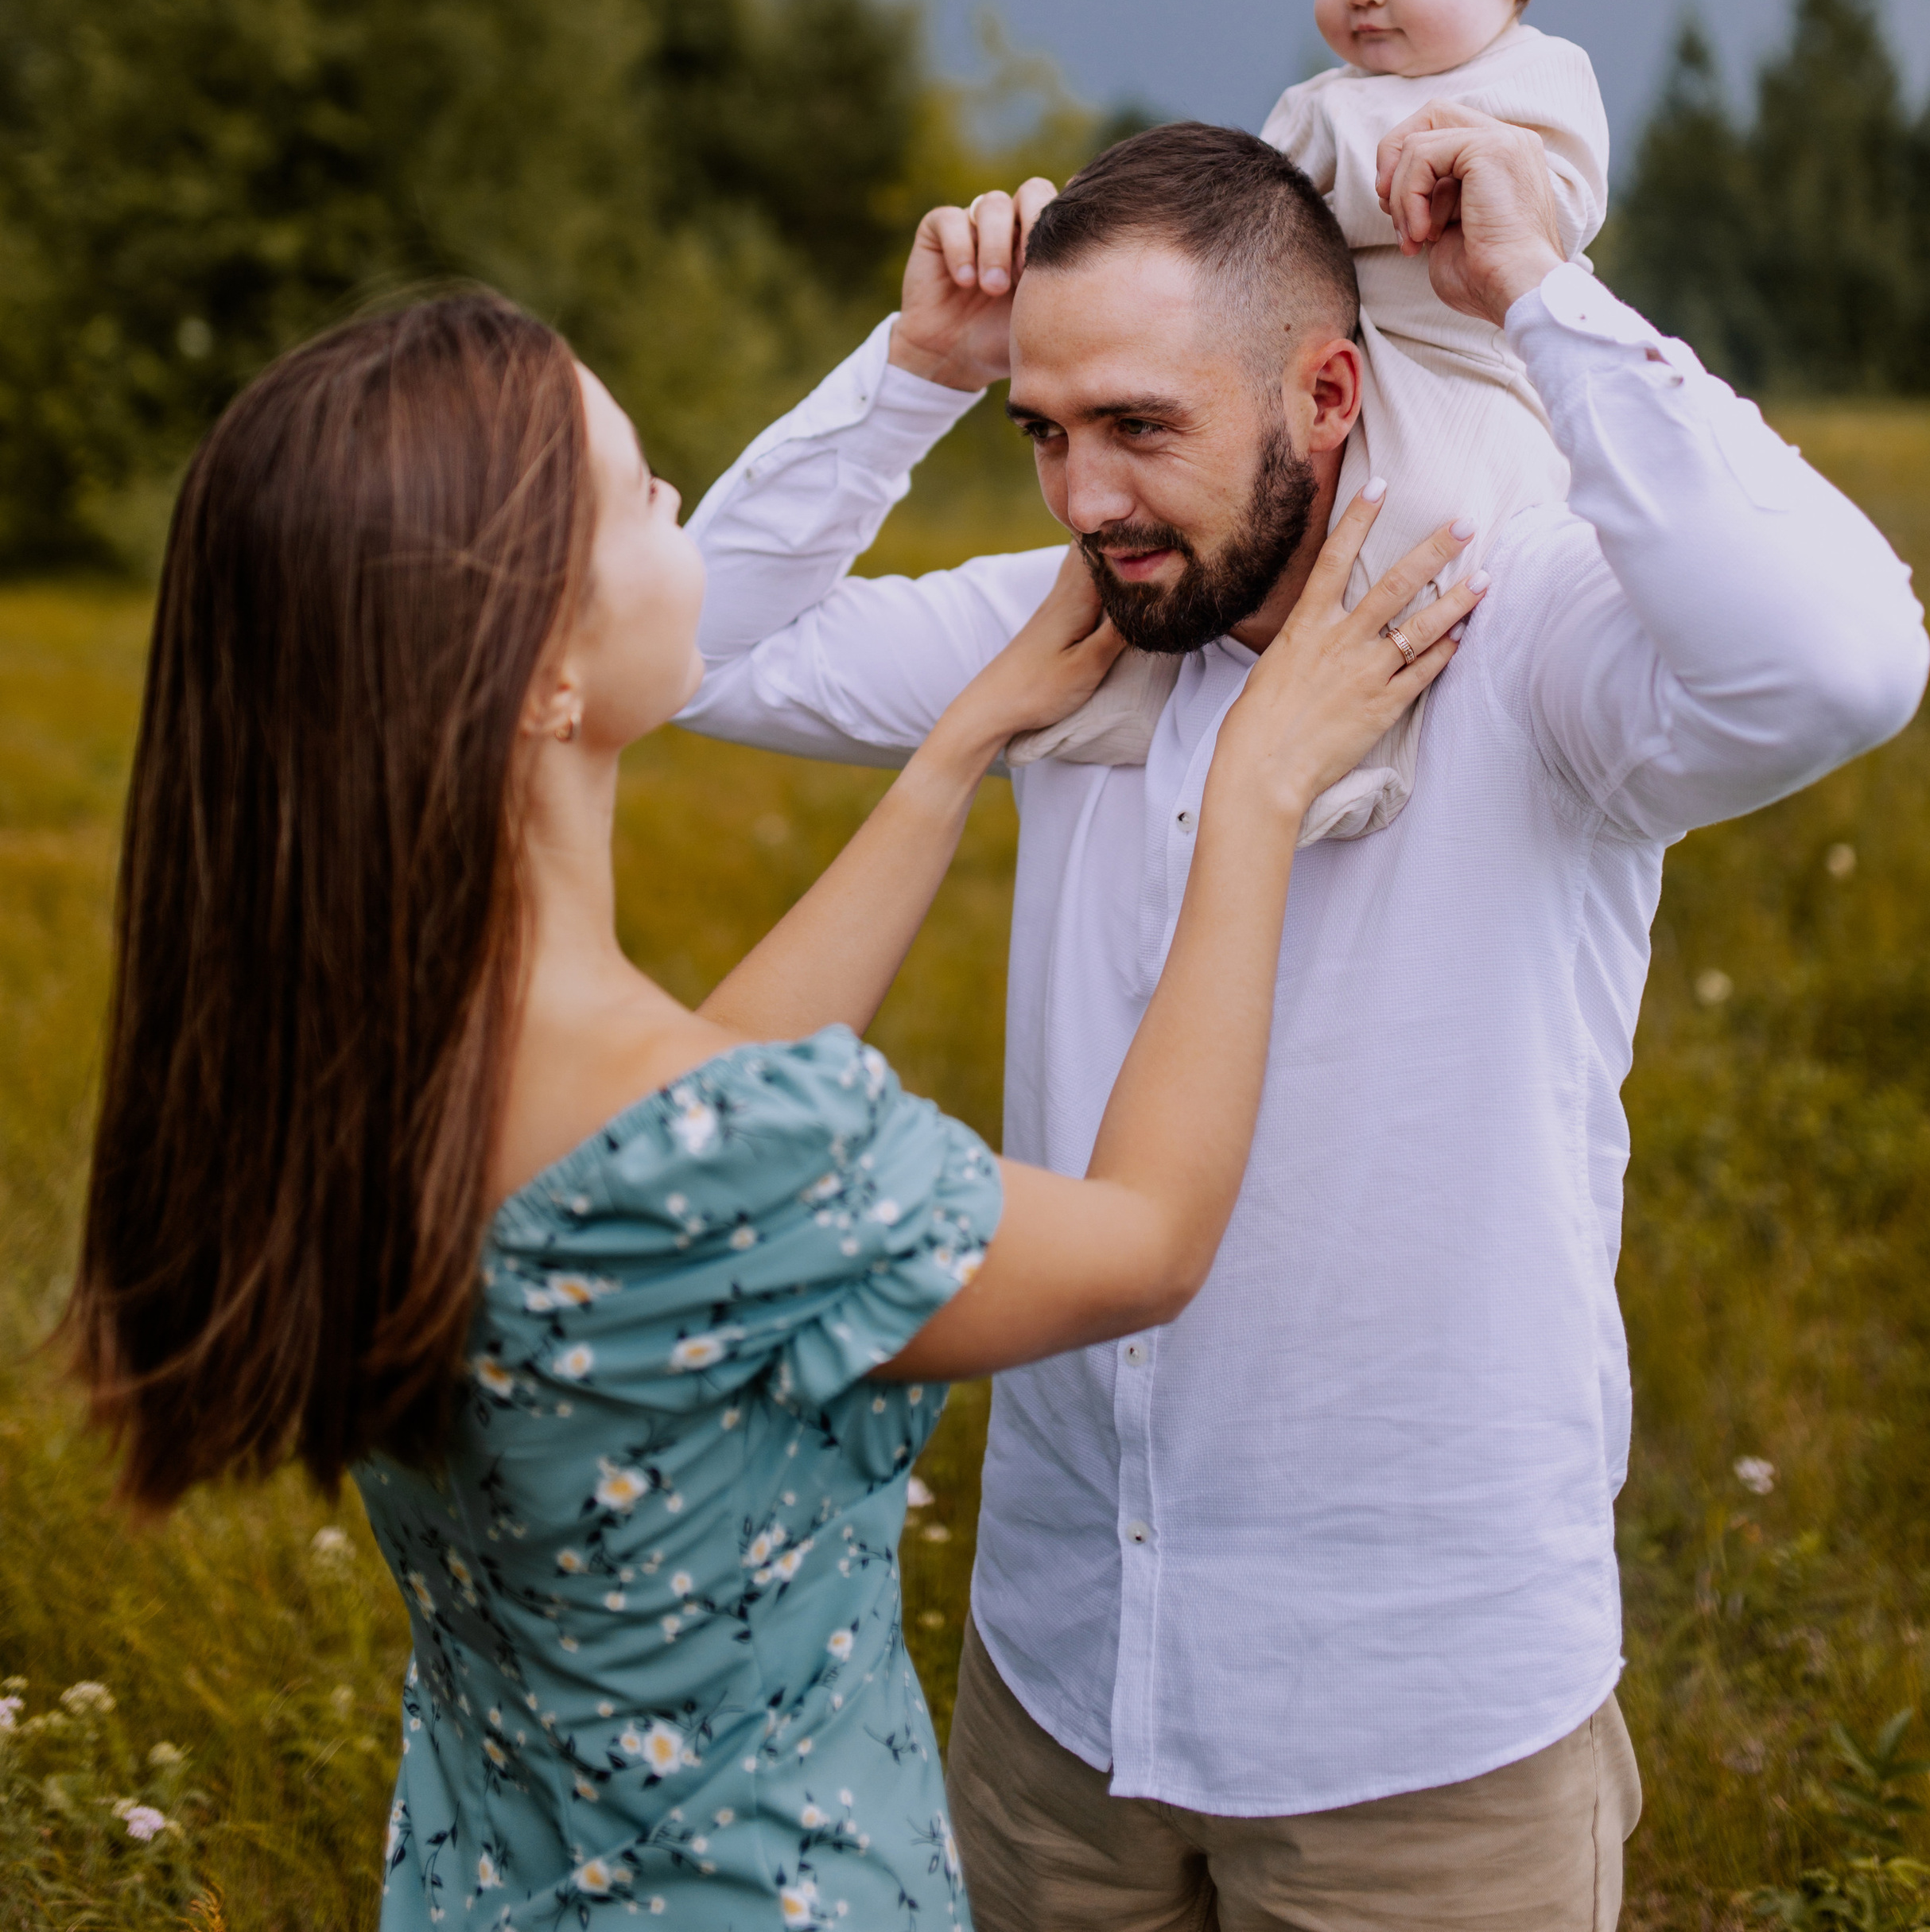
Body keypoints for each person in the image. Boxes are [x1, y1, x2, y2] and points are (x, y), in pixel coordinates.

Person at [64, 290, 1476, 1930]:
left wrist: (955, 751)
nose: (684, 517)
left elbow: (697, 1112)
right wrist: (1253, 790)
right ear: (537, 668)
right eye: (646, 493)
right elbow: (1144, 1244)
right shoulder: (725, 1158)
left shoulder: (375, 1056)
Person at [674, 112, 1930, 1929]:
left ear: (1326, 394)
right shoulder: (1077, 631)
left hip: (1418, 1742)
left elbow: (1840, 660)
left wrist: (1539, 296)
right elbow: (692, 650)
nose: (1082, 495)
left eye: (1140, 427)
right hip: (1057, 1699)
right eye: (1044, 431)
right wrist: (911, 375)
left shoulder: (1524, 636)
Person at [1019, 0, 1610, 848]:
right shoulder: (1326, 102)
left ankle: (1354, 758)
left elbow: (1559, 206)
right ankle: (1139, 697)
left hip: (1468, 378)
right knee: (1264, 531)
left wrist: (1459, 168)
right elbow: (1253, 230)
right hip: (1351, 370)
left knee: (1420, 530)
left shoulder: (1538, 85)